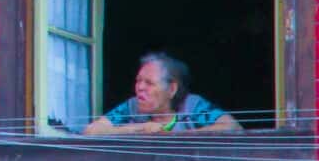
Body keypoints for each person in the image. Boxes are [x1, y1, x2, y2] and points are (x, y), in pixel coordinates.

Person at [83, 51, 242, 135]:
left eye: (149, 83)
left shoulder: (192, 105)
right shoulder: (132, 107)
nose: (140, 87)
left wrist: (177, 137)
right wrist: (141, 128)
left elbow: (233, 127)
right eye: (138, 81)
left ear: (172, 89)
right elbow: (92, 131)